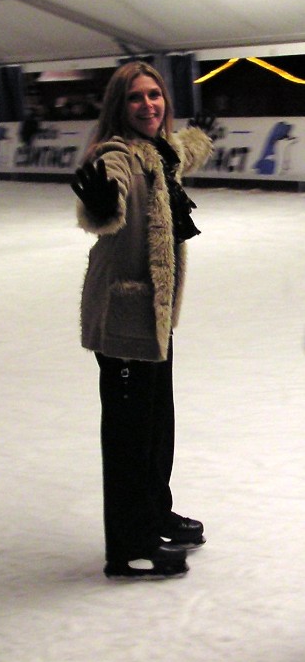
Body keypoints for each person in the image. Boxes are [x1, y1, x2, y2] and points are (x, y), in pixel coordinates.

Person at [71, 61, 214, 580]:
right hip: (124, 317)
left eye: (155, 95)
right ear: (119, 106)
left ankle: (155, 515)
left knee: (156, 427)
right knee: (129, 438)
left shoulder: (160, 152)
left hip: (155, 317)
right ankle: (129, 547)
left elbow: (183, 150)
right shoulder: (117, 155)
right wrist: (100, 204)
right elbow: (107, 199)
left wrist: (201, 137)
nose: (148, 104)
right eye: (136, 97)